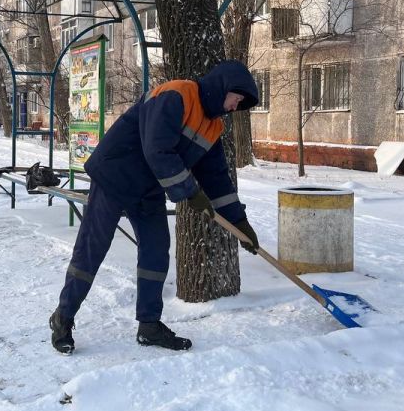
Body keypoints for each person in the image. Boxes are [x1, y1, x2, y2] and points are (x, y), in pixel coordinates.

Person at [49, 60, 260, 354]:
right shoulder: (176, 96)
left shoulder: (213, 126)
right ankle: (63, 317)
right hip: (115, 176)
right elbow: (156, 150)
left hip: (148, 188)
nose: (236, 107)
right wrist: (189, 191)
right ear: (224, 87)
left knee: (156, 249)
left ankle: (149, 325)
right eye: (236, 99)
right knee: (92, 248)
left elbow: (217, 179)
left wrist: (240, 223)